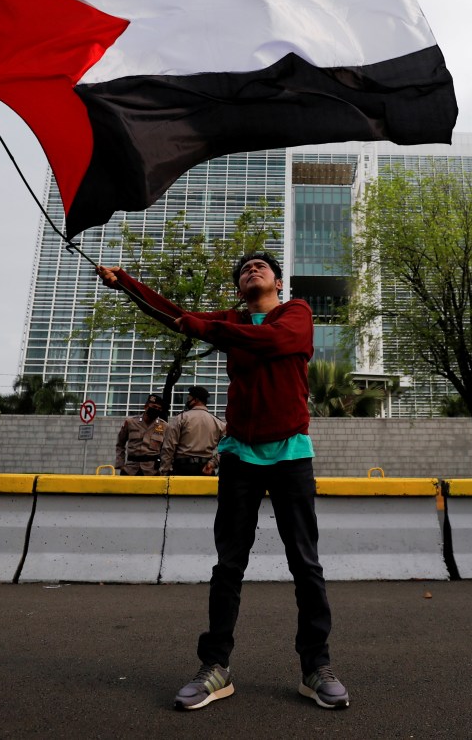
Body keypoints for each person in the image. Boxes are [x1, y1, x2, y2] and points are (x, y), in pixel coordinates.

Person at [95, 251, 348, 711]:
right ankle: (215, 667)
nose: (253, 269)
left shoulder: (296, 313)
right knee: (229, 565)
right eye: (245, 269)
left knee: (305, 563)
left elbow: (274, 341)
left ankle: (317, 667)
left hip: (291, 454)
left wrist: (205, 328)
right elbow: (177, 315)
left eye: (262, 266)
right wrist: (125, 283)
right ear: (239, 289)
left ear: (277, 282)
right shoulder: (233, 319)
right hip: (239, 456)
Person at [161, 384, 224, 476]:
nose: (187, 401)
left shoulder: (181, 418)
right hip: (206, 469)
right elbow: (228, 448)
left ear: (196, 400)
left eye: (188, 399)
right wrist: (213, 463)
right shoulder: (217, 422)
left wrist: (164, 471)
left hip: (182, 469)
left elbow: (168, 447)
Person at [113, 393, 167, 475]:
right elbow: (120, 444)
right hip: (130, 469)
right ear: (146, 407)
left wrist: (163, 469)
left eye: (159, 409)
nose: (156, 410)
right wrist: (120, 464)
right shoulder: (130, 422)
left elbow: (167, 450)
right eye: (154, 407)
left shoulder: (164, 426)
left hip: (152, 471)